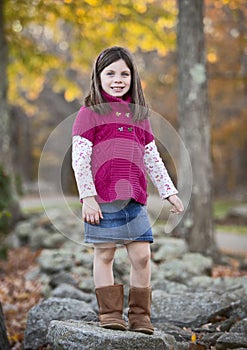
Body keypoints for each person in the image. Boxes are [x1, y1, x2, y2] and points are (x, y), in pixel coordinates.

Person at [72, 46, 184, 335]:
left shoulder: (139, 116)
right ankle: (110, 313)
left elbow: (152, 158)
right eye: (110, 73)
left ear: (133, 78)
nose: (118, 79)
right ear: (98, 78)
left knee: (142, 256)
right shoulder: (89, 114)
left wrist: (169, 191)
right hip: (102, 201)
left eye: (125, 73)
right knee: (105, 255)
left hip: (134, 200)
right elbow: (79, 161)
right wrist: (88, 198)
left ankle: (140, 315)